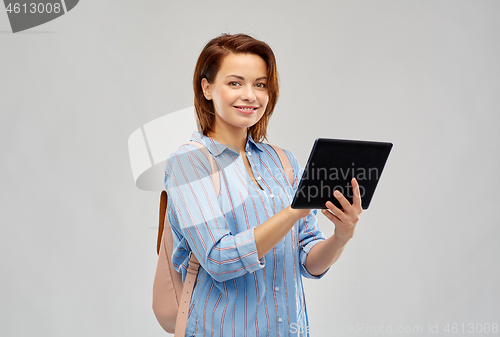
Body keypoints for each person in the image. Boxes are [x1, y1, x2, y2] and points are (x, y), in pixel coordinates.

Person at [164, 33, 362, 337]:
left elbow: (308, 260)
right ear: (207, 88)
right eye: (235, 83)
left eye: (260, 84)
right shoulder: (189, 164)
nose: (250, 95)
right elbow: (219, 258)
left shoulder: (283, 162)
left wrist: (341, 235)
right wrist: (294, 211)